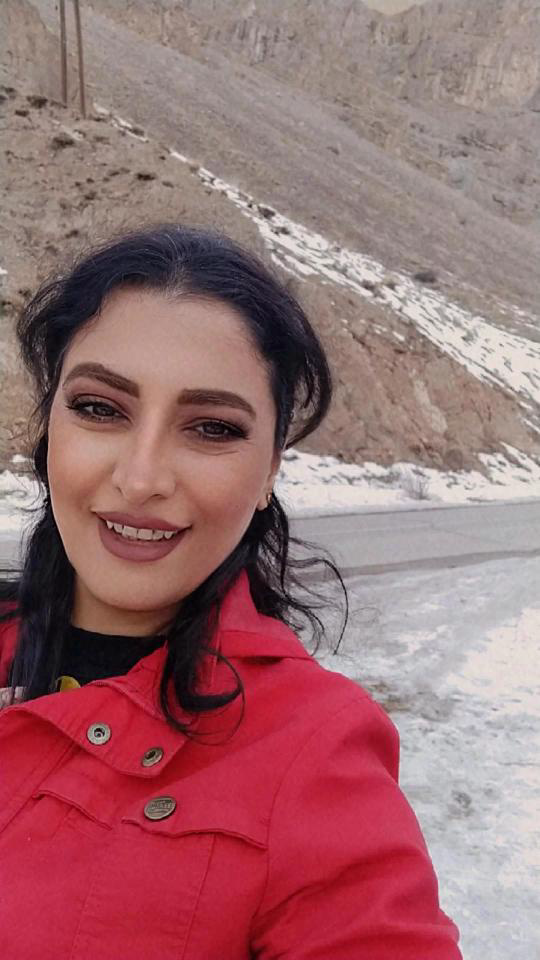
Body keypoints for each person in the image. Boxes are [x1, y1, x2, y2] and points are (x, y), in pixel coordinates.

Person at [0, 224, 462, 959]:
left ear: (271, 469)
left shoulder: (313, 752)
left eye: (212, 428)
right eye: (100, 409)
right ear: (49, 425)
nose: (141, 479)